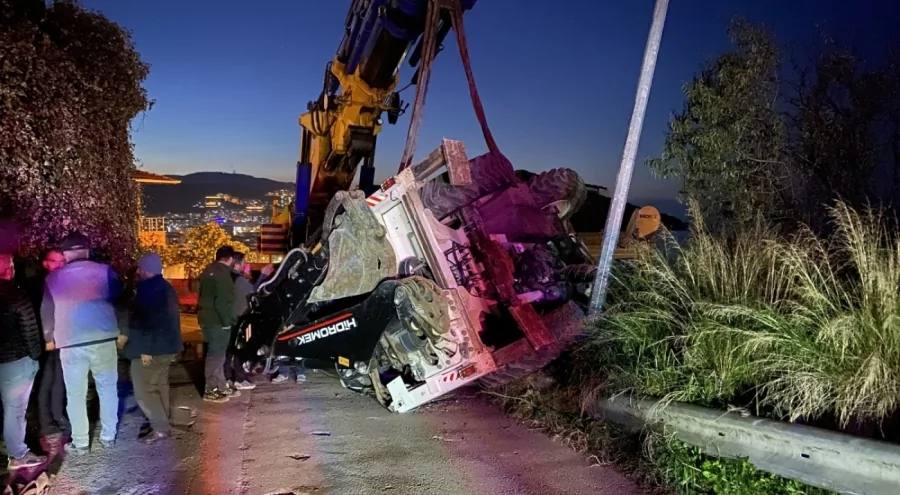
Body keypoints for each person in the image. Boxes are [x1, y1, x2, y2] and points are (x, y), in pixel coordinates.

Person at [42, 233, 124, 454]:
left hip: (70, 343)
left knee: (75, 394)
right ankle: (108, 436)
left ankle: (80, 442)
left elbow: (47, 311)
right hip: (104, 339)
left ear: (65, 254)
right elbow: (121, 302)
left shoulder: (52, 279)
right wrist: (123, 330)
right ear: (87, 251)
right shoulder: (106, 271)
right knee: (107, 389)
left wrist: (49, 337)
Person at [122, 252, 183, 443]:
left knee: (144, 390)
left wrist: (145, 349)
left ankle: (160, 427)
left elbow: (148, 321)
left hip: (151, 349)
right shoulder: (166, 287)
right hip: (167, 347)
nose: (138, 272)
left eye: (140, 269)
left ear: (146, 270)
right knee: (160, 385)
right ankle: (163, 421)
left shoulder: (148, 289)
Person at [0, 254, 47, 469]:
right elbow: (30, 330)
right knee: (15, 409)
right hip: (15, 361)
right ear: (9, 270)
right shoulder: (16, 295)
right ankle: (18, 454)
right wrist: (35, 357)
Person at [25, 249, 70, 443]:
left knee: (58, 378)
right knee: (45, 381)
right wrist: (45, 338)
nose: (59, 265)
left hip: (61, 338)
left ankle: (58, 416)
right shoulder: (37, 284)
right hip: (43, 340)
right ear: (45, 263)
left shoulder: (63, 282)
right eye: (54, 261)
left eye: (62, 261)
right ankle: (46, 422)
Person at [197, 245, 238, 403]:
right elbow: (222, 302)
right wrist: (226, 322)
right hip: (218, 321)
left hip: (207, 319)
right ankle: (211, 389)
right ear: (231, 259)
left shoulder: (208, 271)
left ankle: (220, 385)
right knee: (216, 356)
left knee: (217, 355)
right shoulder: (222, 274)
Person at [224, 252, 255, 391]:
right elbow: (254, 293)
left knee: (227, 350)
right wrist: (263, 276)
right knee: (239, 349)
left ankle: (227, 377)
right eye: (243, 262)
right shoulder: (239, 279)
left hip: (226, 318)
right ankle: (240, 379)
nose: (244, 265)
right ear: (237, 263)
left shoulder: (224, 277)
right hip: (238, 319)